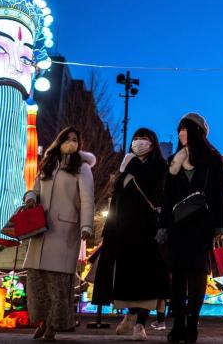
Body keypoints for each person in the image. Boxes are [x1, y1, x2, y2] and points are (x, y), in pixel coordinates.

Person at [92, 128, 170, 341]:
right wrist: (108, 229)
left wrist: (133, 165)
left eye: (144, 139)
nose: (139, 142)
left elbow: (155, 190)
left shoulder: (159, 167)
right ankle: (131, 314)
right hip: (123, 232)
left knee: (148, 279)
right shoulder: (124, 170)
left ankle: (140, 324)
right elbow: (116, 201)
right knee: (127, 278)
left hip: (149, 233)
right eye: (136, 138)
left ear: (153, 143)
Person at [157, 113, 223, 343]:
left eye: (185, 129)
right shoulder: (173, 161)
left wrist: (221, 226)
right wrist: (163, 225)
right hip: (177, 226)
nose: (181, 133)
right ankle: (177, 324)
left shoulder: (213, 159)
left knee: (197, 274)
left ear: (197, 132)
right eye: (179, 129)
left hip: (201, 225)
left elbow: (220, 194)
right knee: (177, 276)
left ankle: (192, 322)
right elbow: (166, 197)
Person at [23, 127, 95, 341]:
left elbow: (88, 198)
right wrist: (29, 198)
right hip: (40, 228)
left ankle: (53, 326)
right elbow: (34, 189)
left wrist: (87, 226)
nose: (72, 143)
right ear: (59, 140)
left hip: (65, 231)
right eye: (68, 139)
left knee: (58, 284)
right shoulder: (49, 163)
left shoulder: (82, 168)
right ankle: (43, 321)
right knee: (37, 282)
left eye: (75, 139)